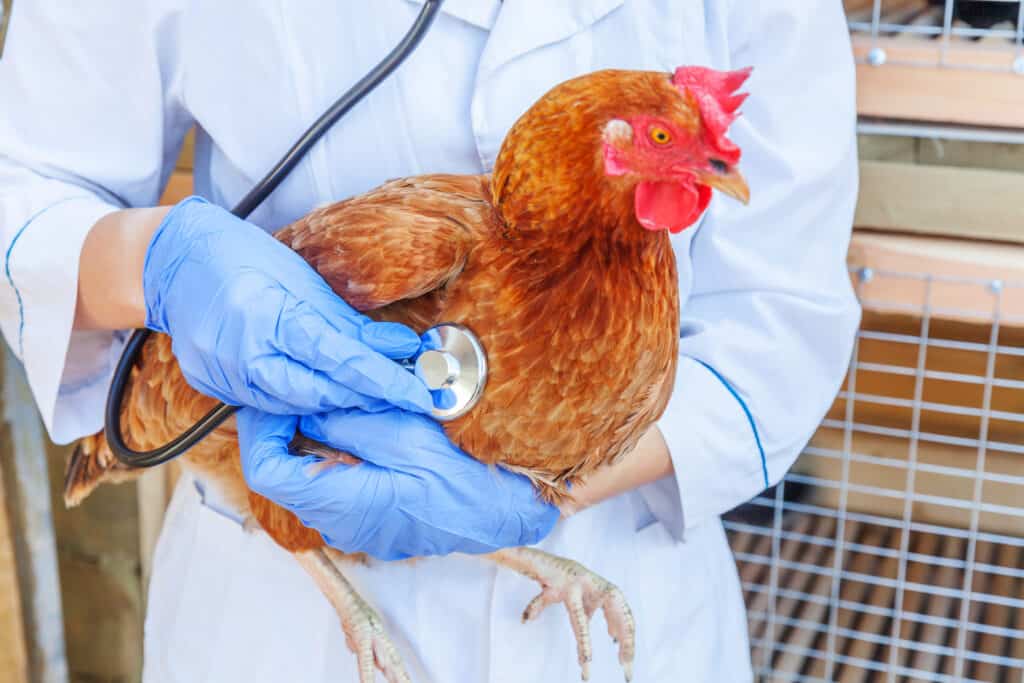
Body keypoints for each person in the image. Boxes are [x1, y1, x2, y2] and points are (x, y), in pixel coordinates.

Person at [0, 2, 860, 681]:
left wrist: (545, 496)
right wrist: (154, 264)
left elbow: (781, 308)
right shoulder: (409, 248)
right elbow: (28, 183)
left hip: (621, 579)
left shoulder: (636, 279)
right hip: (278, 610)